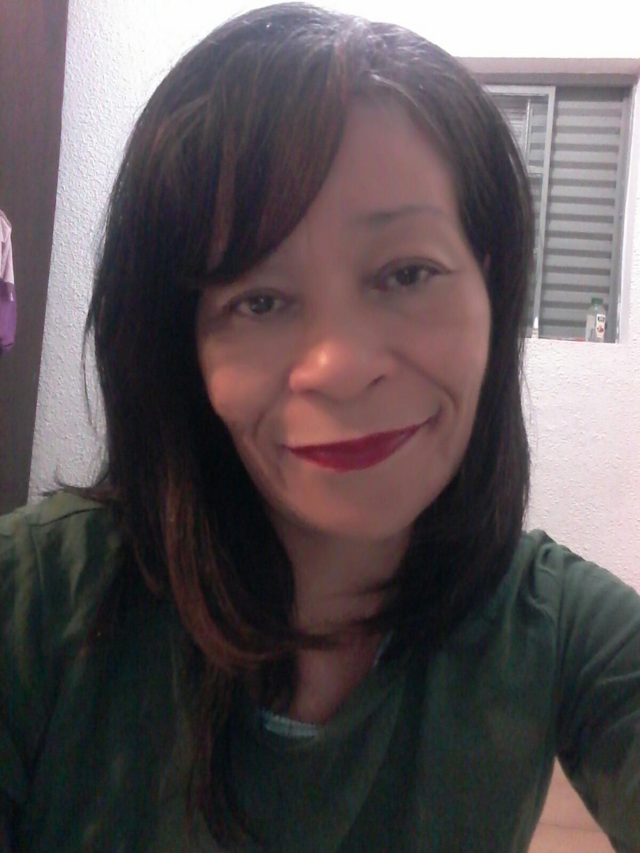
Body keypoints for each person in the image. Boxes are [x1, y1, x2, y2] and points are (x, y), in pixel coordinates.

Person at [1, 3, 638, 851]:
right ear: (182, 346)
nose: (338, 366)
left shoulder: (563, 628)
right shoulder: (34, 601)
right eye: (260, 300)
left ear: (490, 289)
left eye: (407, 273)